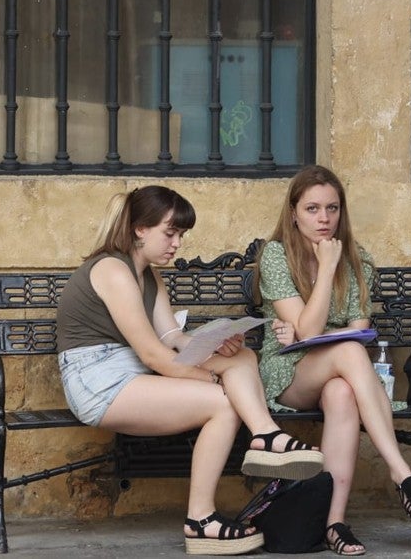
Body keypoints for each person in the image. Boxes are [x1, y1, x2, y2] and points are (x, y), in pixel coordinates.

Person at [56, 186, 324, 556]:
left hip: (130, 369)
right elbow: (153, 355)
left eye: (181, 235)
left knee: (242, 358)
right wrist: (214, 379)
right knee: (223, 404)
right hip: (98, 380)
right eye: (170, 233)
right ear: (139, 229)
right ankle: (201, 521)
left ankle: (265, 436)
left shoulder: (150, 277)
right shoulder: (112, 270)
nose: (177, 243)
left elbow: (174, 340)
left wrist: (218, 347)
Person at [256, 165, 411, 557]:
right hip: (288, 373)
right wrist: (325, 269)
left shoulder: (358, 259)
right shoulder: (275, 255)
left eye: (332, 208)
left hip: (339, 373)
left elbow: (357, 329)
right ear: (293, 213)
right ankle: (401, 472)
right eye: (312, 209)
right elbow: (311, 333)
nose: (324, 219)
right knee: (351, 353)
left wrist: (316, 334)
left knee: (342, 393)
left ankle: (334, 523)